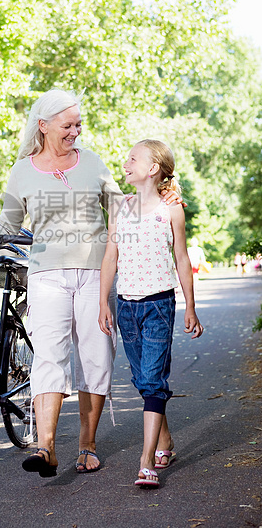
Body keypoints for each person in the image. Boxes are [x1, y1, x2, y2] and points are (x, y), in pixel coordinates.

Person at [0, 91, 182, 477]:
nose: (76, 131)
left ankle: (87, 445)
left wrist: (163, 193)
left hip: (94, 272)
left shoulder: (91, 162)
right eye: (68, 125)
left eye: (79, 124)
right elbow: (9, 226)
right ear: (43, 126)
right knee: (48, 356)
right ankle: (45, 447)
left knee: (96, 356)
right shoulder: (21, 170)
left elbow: (124, 204)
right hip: (46, 275)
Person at [98, 139, 203, 488]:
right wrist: (103, 303)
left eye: (132, 158)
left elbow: (182, 260)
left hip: (159, 304)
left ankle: (146, 462)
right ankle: (166, 441)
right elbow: (110, 257)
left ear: (153, 168)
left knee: (153, 379)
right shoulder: (121, 208)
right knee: (144, 380)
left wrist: (190, 306)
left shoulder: (171, 209)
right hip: (126, 305)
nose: (125, 162)